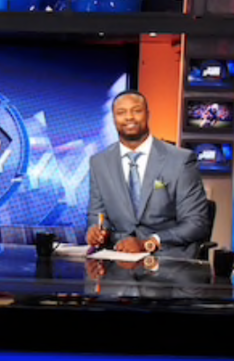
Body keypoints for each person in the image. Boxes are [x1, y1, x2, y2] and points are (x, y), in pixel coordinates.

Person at [86, 90, 210, 257]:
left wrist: (149, 243)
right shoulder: (99, 162)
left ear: (148, 115)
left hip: (168, 260)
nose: (129, 117)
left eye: (136, 111)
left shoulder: (180, 160)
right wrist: (97, 230)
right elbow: (97, 214)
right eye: (121, 112)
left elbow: (196, 223)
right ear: (114, 119)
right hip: (119, 257)